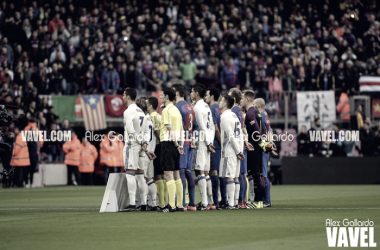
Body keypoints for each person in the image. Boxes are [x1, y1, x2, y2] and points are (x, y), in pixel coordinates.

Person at [240, 90, 276, 209]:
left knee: (256, 174)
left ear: (247, 99)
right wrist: (265, 143)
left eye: (243, 98)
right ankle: (260, 201)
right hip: (258, 147)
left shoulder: (250, 113)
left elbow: (256, 129)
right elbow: (265, 127)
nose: (241, 100)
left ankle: (258, 201)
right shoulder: (259, 112)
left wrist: (261, 143)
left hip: (254, 147)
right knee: (259, 174)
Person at [157, 87, 185, 212]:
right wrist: (181, 144)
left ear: (167, 96)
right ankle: (179, 205)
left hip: (168, 144)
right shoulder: (176, 110)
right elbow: (181, 130)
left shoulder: (166, 110)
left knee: (168, 175)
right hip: (176, 144)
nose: (160, 97)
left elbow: (170, 129)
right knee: (176, 175)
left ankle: (171, 206)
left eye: (162, 95)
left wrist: (176, 144)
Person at [122, 87, 148, 212]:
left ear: (128, 96)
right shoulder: (141, 111)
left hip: (132, 145)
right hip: (141, 147)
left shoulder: (128, 111)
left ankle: (132, 203)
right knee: (140, 175)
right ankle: (143, 203)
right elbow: (146, 130)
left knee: (130, 173)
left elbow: (130, 130)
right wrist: (144, 142)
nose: (122, 97)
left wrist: (140, 141)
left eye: (123, 95)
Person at [190, 83, 216, 210]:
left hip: (202, 142)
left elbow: (201, 126)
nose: (190, 94)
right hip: (207, 141)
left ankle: (205, 203)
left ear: (197, 94)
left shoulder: (197, 108)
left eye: (192, 91)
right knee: (206, 172)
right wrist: (210, 142)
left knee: (199, 171)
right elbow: (211, 127)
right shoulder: (206, 107)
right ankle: (210, 202)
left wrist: (207, 143)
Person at [173, 83, 197, 211]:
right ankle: (192, 203)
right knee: (188, 173)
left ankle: (181, 203)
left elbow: (180, 127)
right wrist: (192, 138)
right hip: (189, 142)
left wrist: (179, 144)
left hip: (182, 142)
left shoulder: (177, 107)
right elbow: (196, 126)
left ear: (177, 93)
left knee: (180, 172)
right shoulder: (190, 107)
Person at [218, 95, 245, 209]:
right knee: (235, 177)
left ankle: (231, 204)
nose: (220, 102)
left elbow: (230, 135)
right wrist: (240, 149)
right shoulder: (234, 116)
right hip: (237, 149)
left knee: (229, 177)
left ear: (225, 104)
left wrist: (238, 151)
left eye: (222, 100)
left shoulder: (224, 116)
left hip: (230, 151)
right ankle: (235, 203)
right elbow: (240, 135)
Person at [228, 88, 251, 209]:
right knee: (241, 173)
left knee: (240, 174)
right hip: (241, 144)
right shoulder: (238, 111)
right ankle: (241, 201)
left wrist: (244, 142)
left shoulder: (235, 111)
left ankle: (241, 200)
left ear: (234, 98)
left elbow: (241, 130)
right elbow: (244, 129)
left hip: (237, 145)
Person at [135, 98, 156, 211]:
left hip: (144, 152)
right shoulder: (149, 120)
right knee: (150, 179)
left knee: (141, 178)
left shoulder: (141, 120)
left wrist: (147, 150)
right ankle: (153, 202)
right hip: (150, 153)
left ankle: (143, 203)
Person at [253, 98, 274, 207]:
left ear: (258, 105)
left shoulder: (261, 116)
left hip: (263, 146)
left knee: (263, 174)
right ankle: (263, 199)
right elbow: (270, 131)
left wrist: (267, 143)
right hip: (266, 146)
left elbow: (265, 131)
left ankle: (267, 201)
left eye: (254, 104)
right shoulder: (265, 114)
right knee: (262, 173)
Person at [205, 87, 223, 209]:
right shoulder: (221, 109)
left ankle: (214, 201)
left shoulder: (211, 109)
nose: (205, 97)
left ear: (212, 97)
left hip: (215, 143)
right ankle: (221, 200)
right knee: (219, 172)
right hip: (221, 143)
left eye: (207, 95)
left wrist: (221, 143)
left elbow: (215, 128)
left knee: (212, 172)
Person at [147, 97, 165, 210]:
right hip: (162, 146)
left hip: (157, 146)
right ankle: (164, 199)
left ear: (150, 106)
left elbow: (157, 131)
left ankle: (160, 202)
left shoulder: (152, 117)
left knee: (157, 175)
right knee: (163, 176)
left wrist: (161, 143)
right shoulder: (160, 116)